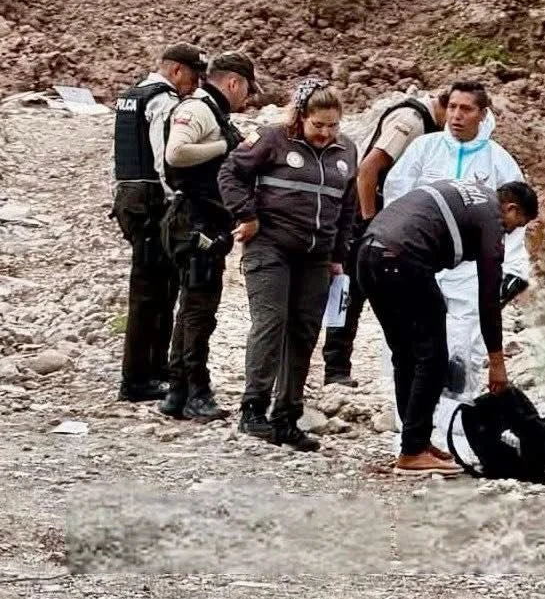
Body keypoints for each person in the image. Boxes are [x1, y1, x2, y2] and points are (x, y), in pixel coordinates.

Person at [381, 81, 532, 446]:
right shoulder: (424, 149)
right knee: (412, 345)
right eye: (452, 107)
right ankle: (410, 426)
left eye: (466, 109)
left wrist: (512, 273)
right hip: (420, 262)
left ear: (483, 114)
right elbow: (397, 196)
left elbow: (511, 227)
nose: (457, 116)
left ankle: (453, 428)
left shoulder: (500, 161)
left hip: (469, 273)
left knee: (461, 350)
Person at [358, 180, 539, 475]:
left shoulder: (471, 194)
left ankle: (414, 443)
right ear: (510, 208)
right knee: (433, 358)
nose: (507, 233)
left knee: (406, 354)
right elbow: (489, 297)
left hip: (369, 255)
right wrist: (497, 363)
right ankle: (413, 451)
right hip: (404, 259)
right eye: (513, 226)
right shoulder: (492, 217)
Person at [218, 79, 356, 451]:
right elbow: (230, 174)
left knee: (305, 330)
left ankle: (287, 415)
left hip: (316, 256)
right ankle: (253, 408)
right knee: (271, 321)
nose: (326, 133)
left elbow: (347, 209)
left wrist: (339, 256)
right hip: (270, 246)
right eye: (318, 125)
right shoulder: (272, 139)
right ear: (301, 118)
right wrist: (246, 215)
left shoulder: (347, 153)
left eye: (333, 125)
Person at [320, 88, 449, 387]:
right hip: (365, 213)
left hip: (381, 216)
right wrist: (369, 222)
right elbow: (367, 170)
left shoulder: (423, 122)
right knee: (348, 291)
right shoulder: (412, 120)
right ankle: (335, 367)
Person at [158, 52, 258, 422]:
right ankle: (196, 391)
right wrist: (226, 146)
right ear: (233, 83)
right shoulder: (200, 109)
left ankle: (179, 390)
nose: (247, 99)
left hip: (200, 221)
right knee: (199, 311)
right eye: (246, 90)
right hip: (194, 222)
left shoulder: (209, 110)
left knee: (191, 309)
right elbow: (177, 153)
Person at [110, 43, 206, 402]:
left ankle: (149, 372)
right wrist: (176, 198)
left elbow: (121, 156)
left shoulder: (130, 97)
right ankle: (140, 378)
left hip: (130, 197)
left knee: (151, 287)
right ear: (177, 71)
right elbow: (166, 156)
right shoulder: (162, 100)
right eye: (193, 77)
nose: (194, 87)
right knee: (154, 291)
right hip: (151, 202)